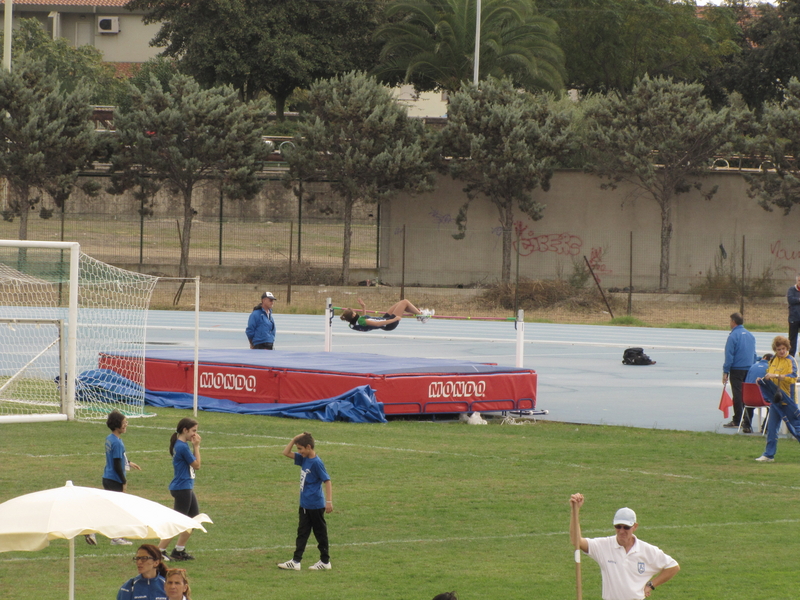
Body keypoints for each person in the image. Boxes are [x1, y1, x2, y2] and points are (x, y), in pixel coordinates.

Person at [569, 494, 679, 600]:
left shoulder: (647, 550)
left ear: (635, 526)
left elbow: (673, 567)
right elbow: (576, 541)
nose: (621, 531)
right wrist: (575, 510)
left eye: (626, 527)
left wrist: (651, 585)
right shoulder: (603, 546)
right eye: (618, 526)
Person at [277, 432, 333, 571]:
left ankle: (325, 562)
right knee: (302, 533)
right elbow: (286, 452)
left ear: (308, 447)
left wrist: (329, 501)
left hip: (315, 505)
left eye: (300, 448)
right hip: (304, 505)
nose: (299, 452)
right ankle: (296, 561)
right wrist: (294, 439)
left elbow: (327, 480)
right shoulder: (304, 458)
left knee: (320, 533)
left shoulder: (316, 463)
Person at [85, 409, 142, 547]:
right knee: (117, 509)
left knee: (111, 507)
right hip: (115, 479)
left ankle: (101, 532)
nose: (126, 424)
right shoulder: (118, 443)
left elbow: (117, 458)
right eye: (124, 422)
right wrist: (123, 481)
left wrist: (128, 462)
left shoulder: (110, 439)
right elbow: (117, 464)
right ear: (117, 425)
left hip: (107, 477)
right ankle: (111, 536)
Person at [158, 418, 202, 561]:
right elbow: (197, 465)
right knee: (177, 521)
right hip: (182, 488)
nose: (195, 434)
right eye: (194, 431)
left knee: (193, 518)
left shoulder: (180, 445)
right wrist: (197, 446)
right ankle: (159, 551)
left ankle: (179, 550)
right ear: (185, 430)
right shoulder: (182, 446)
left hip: (185, 487)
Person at [755, 336, 799, 462]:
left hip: (788, 399)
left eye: (784, 349)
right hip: (776, 399)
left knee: (797, 427)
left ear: (787, 348)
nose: (781, 351)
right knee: (772, 427)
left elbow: (793, 377)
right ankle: (769, 454)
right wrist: (762, 381)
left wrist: (778, 376)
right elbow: (769, 374)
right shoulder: (773, 359)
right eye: (779, 349)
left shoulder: (791, 360)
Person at [722, 312, 757, 432]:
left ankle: (737, 419)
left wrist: (725, 371)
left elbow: (729, 355)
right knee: (747, 394)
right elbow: (754, 354)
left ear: (733, 321)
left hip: (737, 369)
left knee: (737, 394)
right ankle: (746, 420)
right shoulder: (750, 335)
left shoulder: (733, 336)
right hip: (749, 369)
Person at [340, 297, 434, 332]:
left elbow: (364, 320)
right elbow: (376, 324)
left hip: (384, 321)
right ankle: (422, 316)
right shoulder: (361, 321)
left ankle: (420, 314)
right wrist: (395, 319)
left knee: (401, 303)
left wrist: (363, 307)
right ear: (353, 315)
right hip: (388, 323)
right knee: (404, 302)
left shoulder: (353, 324)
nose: (355, 313)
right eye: (354, 312)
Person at [788, 275, 800, 356]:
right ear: (796, 281)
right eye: (799, 280)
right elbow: (790, 300)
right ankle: (791, 354)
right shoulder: (791, 290)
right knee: (792, 338)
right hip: (794, 318)